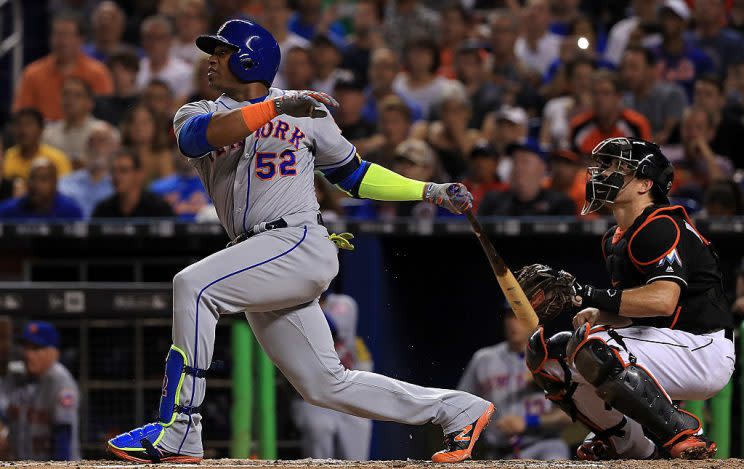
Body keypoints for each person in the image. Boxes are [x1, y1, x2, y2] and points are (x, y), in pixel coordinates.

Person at [107, 19, 494, 464]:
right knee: (325, 384)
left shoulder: (305, 112)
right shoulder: (197, 112)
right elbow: (199, 141)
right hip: (253, 256)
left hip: (295, 240)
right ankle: (457, 408)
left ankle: (181, 429)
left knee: (193, 286)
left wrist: (427, 190)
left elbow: (355, 175)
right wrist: (274, 108)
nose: (211, 59)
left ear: (249, 57)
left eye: (221, 50)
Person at [521, 137, 734, 460]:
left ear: (645, 183)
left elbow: (664, 301)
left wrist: (584, 293)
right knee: (552, 356)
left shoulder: (660, 225)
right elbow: (642, 311)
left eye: (617, 168)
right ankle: (626, 442)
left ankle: (684, 433)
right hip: (668, 342)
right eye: (604, 166)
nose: (603, 174)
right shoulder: (615, 238)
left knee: (595, 348)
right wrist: (602, 314)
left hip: (703, 347)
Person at [458, 306, 571, 460]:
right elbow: (460, 408)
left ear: (534, 320)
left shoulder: (551, 360)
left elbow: (569, 416)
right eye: (509, 316)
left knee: (556, 455)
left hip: (544, 447)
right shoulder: (483, 360)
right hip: (497, 454)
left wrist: (528, 422)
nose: (512, 323)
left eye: (518, 316)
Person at [292, 293, 373, 460]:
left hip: (349, 397)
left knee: (356, 453)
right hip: (315, 399)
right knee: (319, 429)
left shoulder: (342, 303)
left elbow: (334, 326)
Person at [13, 12, 113, 121]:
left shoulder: (98, 73)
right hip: (44, 135)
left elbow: (106, 117)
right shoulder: (32, 73)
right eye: (57, 34)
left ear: (81, 40)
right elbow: (20, 116)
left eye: (67, 35)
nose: (61, 41)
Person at [4, 321, 80, 460]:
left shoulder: (61, 382)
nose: (28, 354)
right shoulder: (15, 377)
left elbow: (63, 439)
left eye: (36, 348)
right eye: (26, 347)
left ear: (54, 352)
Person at [478, 138, 576, 216]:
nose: (518, 167)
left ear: (542, 167)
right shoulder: (493, 202)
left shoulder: (560, 204)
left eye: (525, 161)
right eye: (515, 161)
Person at [569, 70, 652, 156]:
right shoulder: (578, 126)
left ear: (618, 97)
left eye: (606, 93)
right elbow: (572, 164)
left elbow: (646, 163)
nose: (599, 99)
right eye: (595, 93)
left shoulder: (636, 125)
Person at [621, 46, 687, 145]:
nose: (627, 74)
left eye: (634, 67)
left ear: (651, 69)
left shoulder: (672, 95)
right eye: (625, 68)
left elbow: (665, 136)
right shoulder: (624, 101)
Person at [654, 0, 715, 100]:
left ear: (684, 22)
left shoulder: (700, 59)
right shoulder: (651, 55)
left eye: (673, 17)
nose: (667, 21)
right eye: (664, 17)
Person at [58, 121, 118, 218]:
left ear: (115, 148)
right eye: (91, 141)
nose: (95, 146)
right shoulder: (64, 184)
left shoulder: (120, 186)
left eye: (101, 140)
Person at [42, 78, 106, 167]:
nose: (70, 100)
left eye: (78, 95)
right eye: (66, 94)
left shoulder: (104, 132)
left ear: (90, 103)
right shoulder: (48, 134)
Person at [92, 150, 174, 218]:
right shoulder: (103, 210)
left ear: (139, 174)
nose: (116, 176)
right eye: (113, 171)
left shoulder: (159, 208)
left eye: (123, 171)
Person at [0, 158, 83, 220]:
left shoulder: (71, 211)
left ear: (55, 182)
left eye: (43, 179)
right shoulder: (8, 211)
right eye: (32, 178)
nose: (36, 185)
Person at [3, 109, 72, 182]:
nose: (23, 130)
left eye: (29, 124)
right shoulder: (5, 157)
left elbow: (66, 188)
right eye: (18, 124)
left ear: (41, 129)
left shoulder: (58, 159)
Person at [393, 38, 452, 120]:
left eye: (424, 53)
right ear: (406, 56)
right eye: (415, 52)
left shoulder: (446, 88)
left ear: (433, 57)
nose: (419, 57)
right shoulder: (396, 82)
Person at [136, 15, 193, 100]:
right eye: (149, 37)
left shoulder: (184, 72)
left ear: (170, 41)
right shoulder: (137, 69)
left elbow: (182, 106)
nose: (153, 43)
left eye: (159, 38)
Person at [362, 48, 423, 125]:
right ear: (369, 70)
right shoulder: (357, 103)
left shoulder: (410, 109)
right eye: (376, 66)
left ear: (396, 72)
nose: (380, 72)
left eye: (386, 67)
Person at [120, 104, 174, 183]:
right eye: (134, 122)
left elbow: (168, 188)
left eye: (145, 122)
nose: (139, 127)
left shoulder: (163, 157)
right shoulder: (119, 156)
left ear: (155, 126)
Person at [149, 150, 209, 221]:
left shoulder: (209, 185)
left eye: (187, 154)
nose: (185, 159)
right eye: (181, 155)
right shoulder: (158, 188)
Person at [94, 47, 142, 126]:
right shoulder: (100, 104)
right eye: (113, 70)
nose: (118, 75)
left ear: (134, 72)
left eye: (123, 70)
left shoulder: (143, 102)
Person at [514, 0, 562, 77]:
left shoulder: (561, 45)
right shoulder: (512, 44)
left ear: (550, 17)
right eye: (530, 8)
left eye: (540, 9)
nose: (533, 13)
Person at [460, 142, 507, 213]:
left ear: (496, 163)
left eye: (485, 158)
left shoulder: (504, 190)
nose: (480, 162)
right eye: (475, 158)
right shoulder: (460, 188)